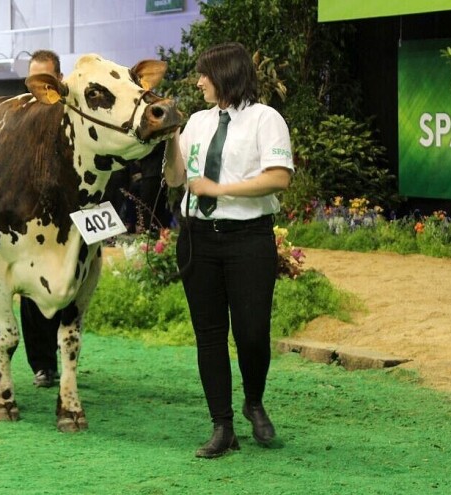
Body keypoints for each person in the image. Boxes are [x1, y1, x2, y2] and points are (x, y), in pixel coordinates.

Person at [163, 42, 294, 458]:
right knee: (209, 335)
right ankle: (222, 426)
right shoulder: (197, 122)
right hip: (198, 239)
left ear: (226, 75)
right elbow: (176, 179)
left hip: (248, 239)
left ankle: (253, 401)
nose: (199, 81)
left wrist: (218, 189)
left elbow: (279, 178)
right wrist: (170, 137)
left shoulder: (265, 119)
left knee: (252, 333)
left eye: (205, 74)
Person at [20, 49, 64, 388]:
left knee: (70, 288)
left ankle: (66, 352)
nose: (38, 87)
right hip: (33, 217)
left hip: (69, 216)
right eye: (33, 80)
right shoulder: (19, 116)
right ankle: (43, 364)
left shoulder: (74, 112)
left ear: (59, 79)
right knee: (33, 289)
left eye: (45, 79)